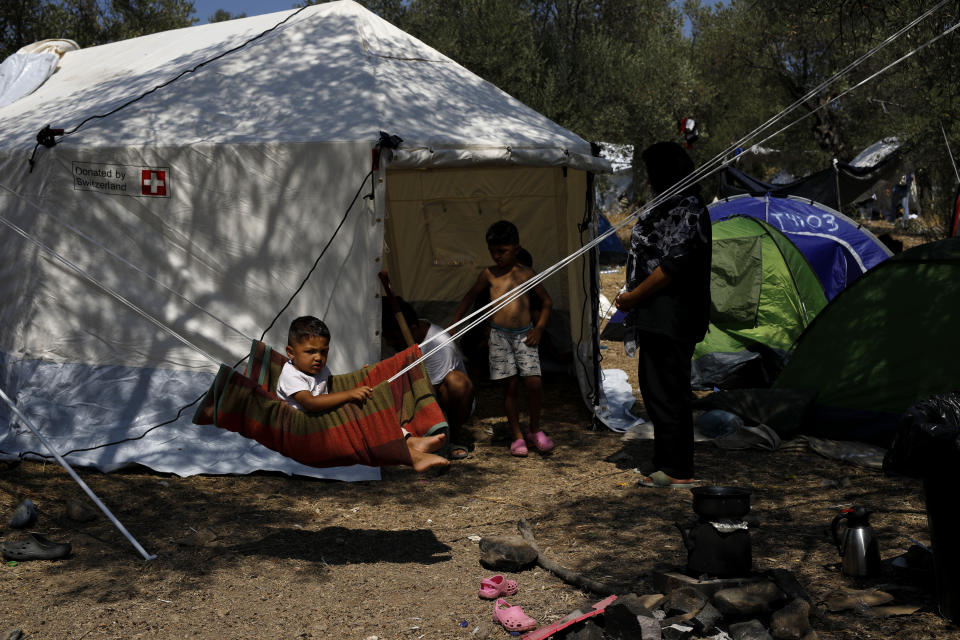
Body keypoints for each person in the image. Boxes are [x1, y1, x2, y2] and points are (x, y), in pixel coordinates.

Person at [613, 142, 711, 488]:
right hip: (655, 313)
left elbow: (674, 265)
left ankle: (678, 469)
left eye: (652, 171)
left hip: (673, 314)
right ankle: (665, 457)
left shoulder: (689, 207)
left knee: (669, 391)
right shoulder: (670, 203)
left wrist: (634, 296)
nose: (649, 179)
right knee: (655, 390)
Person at [278, 315, 449, 471]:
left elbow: (334, 388)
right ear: (291, 352)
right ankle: (414, 457)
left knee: (368, 408)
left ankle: (409, 440)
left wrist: (363, 378)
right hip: (303, 434)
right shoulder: (290, 374)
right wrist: (349, 394)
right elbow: (310, 403)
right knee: (360, 422)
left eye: (324, 352)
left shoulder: (319, 370)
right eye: (310, 352)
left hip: (322, 423)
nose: (318, 357)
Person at [453, 220, 555, 457]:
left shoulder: (526, 274)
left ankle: (535, 430)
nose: (496, 256)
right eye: (492, 251)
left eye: (502, 251)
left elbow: (547, 302)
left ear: (516, 249)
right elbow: (468, 299)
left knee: (533, 384)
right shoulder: (488, 275)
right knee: (509, 388)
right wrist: (452, 326)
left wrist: (539, 329)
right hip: (499, 338)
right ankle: (517, 436)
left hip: (525, 337)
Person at [382, 297, 476, 460]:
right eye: (388, 338)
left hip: (437, 401)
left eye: (395, 339)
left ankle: (450, 437)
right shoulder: (393, 336)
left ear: (412, 329)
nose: (391, 343)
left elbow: (429, 394)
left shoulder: (440, 344)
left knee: (458, 383)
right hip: (405, 395)